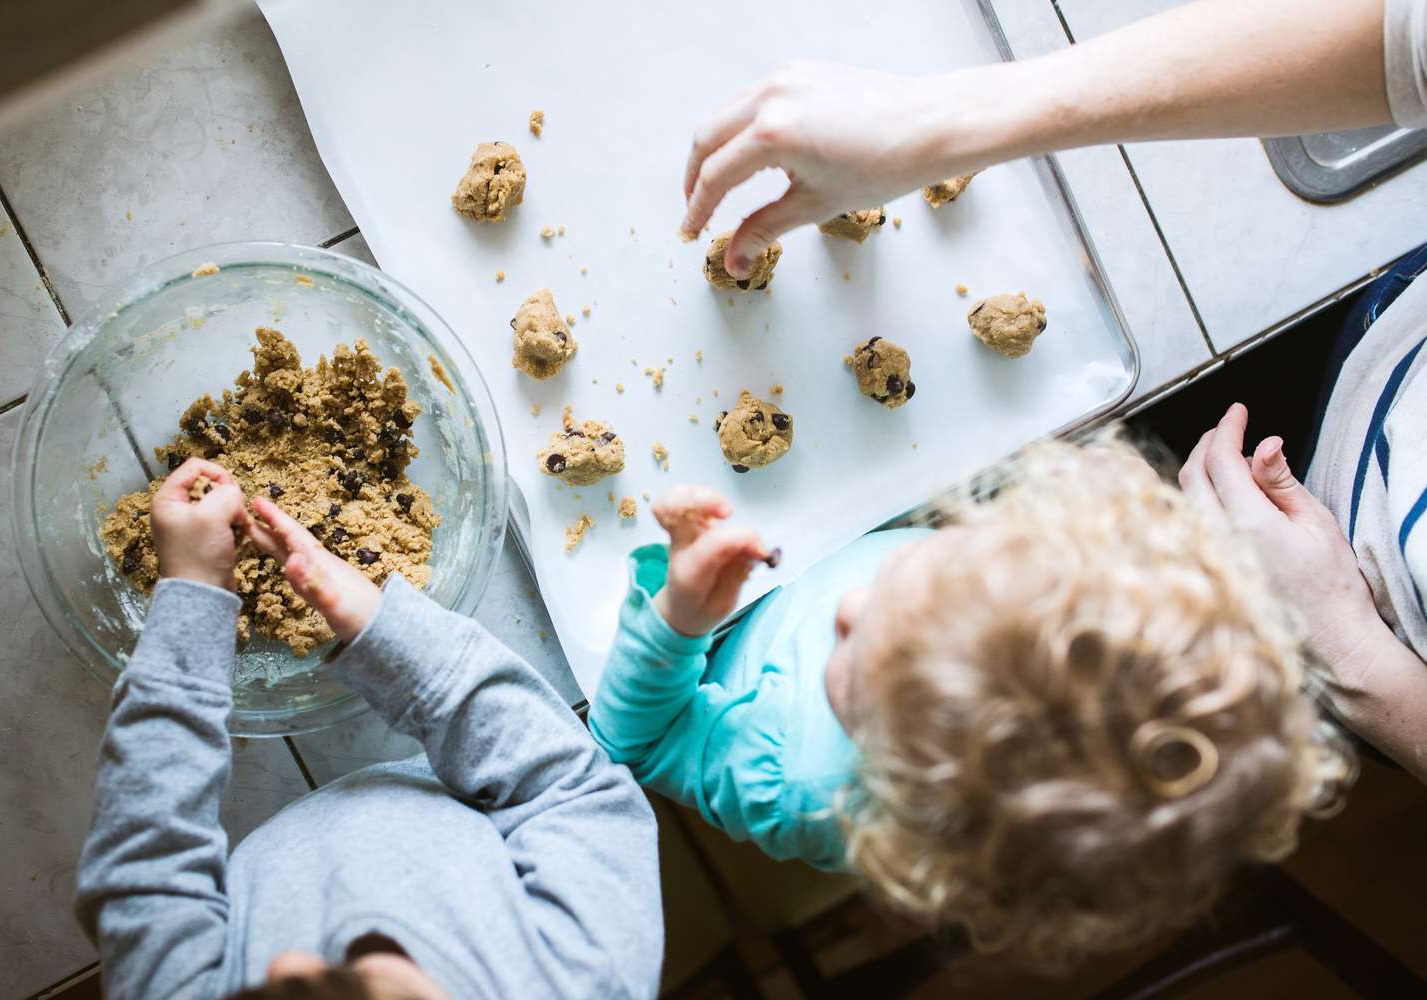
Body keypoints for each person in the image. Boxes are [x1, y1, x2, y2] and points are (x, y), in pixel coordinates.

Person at [678, 0, 1427, 781]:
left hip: (1335, 612)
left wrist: (1350, 652)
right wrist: (941, 122)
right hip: (1385, 350)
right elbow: (1403, 38)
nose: (855, 606)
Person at [589, 434, 1353, 967]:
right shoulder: (1013, 596)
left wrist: (677, 619)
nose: (848, 609)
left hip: (693, 637)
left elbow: (638, 744)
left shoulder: (798, 787)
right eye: (909, 575)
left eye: (856, 662)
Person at [74, 458, 662, 1000]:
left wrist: (194, 596)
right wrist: (381, 629)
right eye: (337, 970)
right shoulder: (595, 973)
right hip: (461, 795)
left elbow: (145, 868)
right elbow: (565, 782)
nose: (279, 966)